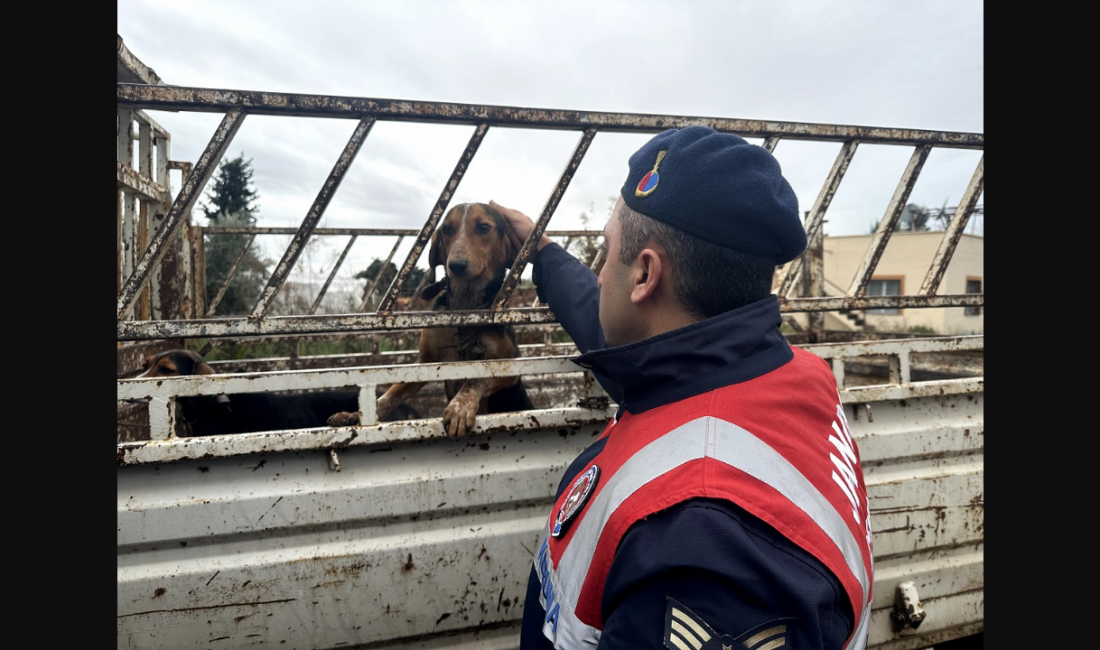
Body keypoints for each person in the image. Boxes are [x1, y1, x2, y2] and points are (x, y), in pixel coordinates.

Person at [489, 125, 873, 650]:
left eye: (606, 253)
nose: (599, 275)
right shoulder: (789, 374)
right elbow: (625, 333)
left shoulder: (703, 546)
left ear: (645, 276)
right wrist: (546, 253)